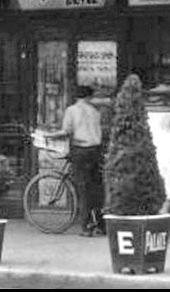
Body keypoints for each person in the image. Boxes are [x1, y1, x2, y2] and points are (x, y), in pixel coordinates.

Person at [62, 85, 104, 236]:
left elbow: (66, 131)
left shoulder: (72, 110)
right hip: (96, 151)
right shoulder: (94, 112)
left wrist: (49, 136)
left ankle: (86, 226)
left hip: (80, 150)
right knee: (97, 189)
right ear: (89, 97)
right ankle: (100, 224)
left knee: (83, 189)